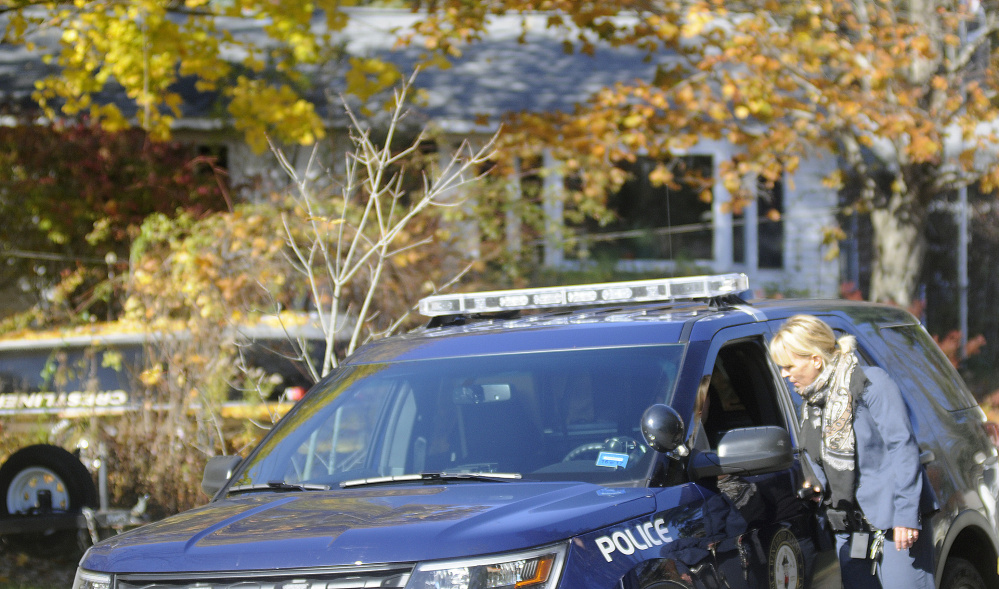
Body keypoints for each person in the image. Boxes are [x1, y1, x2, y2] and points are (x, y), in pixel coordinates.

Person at [769, 315, 936, 589]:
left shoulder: (870, 383)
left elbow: (903, 449)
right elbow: (817, 457)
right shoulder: (812, 403)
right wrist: (817, 485)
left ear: (815, 359)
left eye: (788, 366)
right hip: (851, 528)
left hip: (895, 521)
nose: (785, 374)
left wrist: (906, 516)